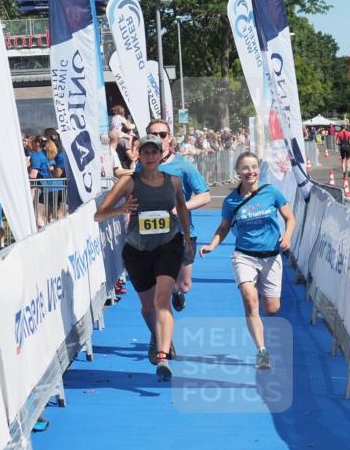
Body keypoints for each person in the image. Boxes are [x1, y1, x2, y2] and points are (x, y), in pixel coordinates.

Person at [93, 134, 193, 381]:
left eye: (154, 152)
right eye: (145, 152)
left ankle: (162, 356)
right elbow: (99, 215)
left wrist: (187, 236)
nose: (150, 156)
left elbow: (181, 207)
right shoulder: (129, 182)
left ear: (161, 155)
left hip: (168, 245)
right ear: (139, 155)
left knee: (162, 300)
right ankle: (158, 337)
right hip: (137, 250)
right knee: (148, 306)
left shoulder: (174, 181)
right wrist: (121, 209)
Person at [200, 152, 295, 369]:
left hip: (271, 256)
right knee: (250, 300)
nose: (250, 171)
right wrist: (212, 245)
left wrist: (287, 235)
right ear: (238, 172)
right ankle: (261, 351)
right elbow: (224, 227)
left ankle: (259, 305)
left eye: (254, 166)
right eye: (245, 167)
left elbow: (290, 218)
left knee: (271, 308)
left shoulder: (271, 192)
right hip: (244, 255)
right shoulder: (231, 201)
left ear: (258, 170)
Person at [145, 118, 210, 312]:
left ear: (169, 138)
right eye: (153, 135)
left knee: (183, 285)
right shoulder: (141, 166)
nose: (158, 138)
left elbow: (205, 196)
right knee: (157, 291)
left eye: (162, 134)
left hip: (181, 234)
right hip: (151, 235)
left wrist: (181, 207)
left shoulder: (183, 166)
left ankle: (176, 292)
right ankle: (159, 337)